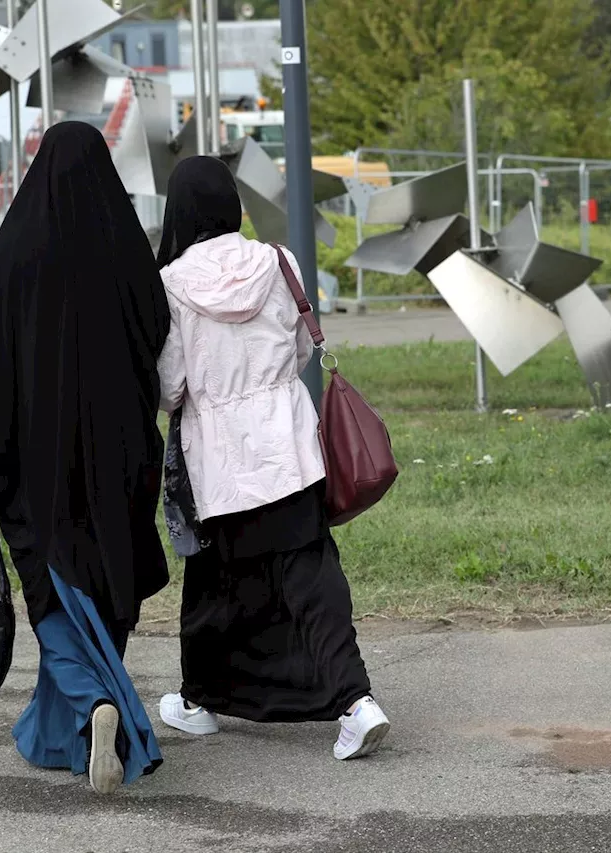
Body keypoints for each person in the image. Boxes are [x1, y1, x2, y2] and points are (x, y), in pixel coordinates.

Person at [0, 122, 169, 795]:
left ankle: (99, 705)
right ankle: (58, 734)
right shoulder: (125, 245)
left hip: (35, 461)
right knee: (103, 584)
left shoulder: (17, 245)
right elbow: (158, 331)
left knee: (51, 589)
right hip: (119, 456)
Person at [155, 156, 390, 761]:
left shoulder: (173, 284)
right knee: (311, 574)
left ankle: (200, 699)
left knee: (215, 582)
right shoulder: (278, 261)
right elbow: (300, 348)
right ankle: (356, 703)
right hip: (288, 445)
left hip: (218, 461)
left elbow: (170, 388)